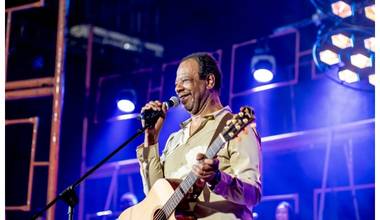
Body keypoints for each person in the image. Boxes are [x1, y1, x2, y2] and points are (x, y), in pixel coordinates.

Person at [136, 52, 262, 219]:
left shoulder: (235, 127)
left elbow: (253, 194)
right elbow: (155, 196)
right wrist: (151, 137)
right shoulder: (175, 139)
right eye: (176, 83)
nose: (177, 88)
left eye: (185, 80)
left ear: (209, 81)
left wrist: (217, 179)